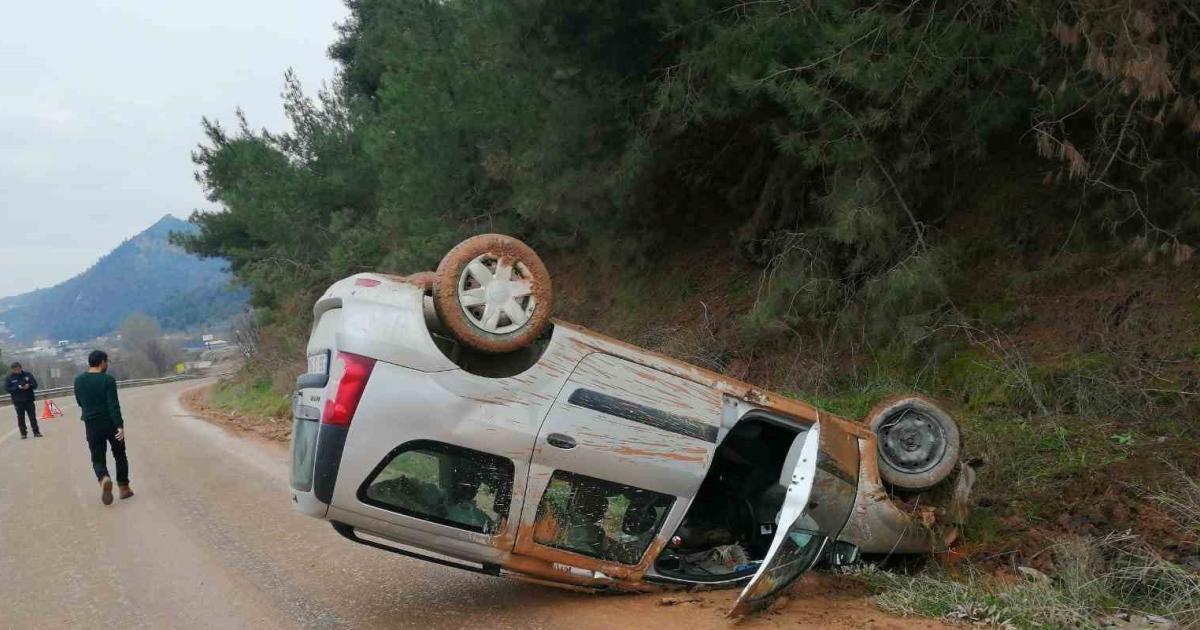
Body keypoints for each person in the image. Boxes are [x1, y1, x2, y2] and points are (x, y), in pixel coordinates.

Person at [74, 350, 132, 505]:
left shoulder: (78, 381)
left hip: (91, 424)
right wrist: (119, 426)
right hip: (110, 423)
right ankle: (124, 488)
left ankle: (104, 478)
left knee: (97, 458)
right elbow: (113, 405)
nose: (107, 364)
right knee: (120, 454)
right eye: (107, 362)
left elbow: (80, 402)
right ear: (102, 362)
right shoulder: (108, 380)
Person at [4, 362, 41, 439]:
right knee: (21, 418)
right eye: (15, 370)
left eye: (18, 369)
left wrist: (29, 385)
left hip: (29, 399)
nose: (17, 371)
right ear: (12, 370)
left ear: (21, 368)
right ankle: (23, 434)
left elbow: (35, 384)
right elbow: (7, 389)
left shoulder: (27, 375)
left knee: (32, 417)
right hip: (18, 401)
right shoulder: (9, 378)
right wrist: (17, 387)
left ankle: (36, 432)